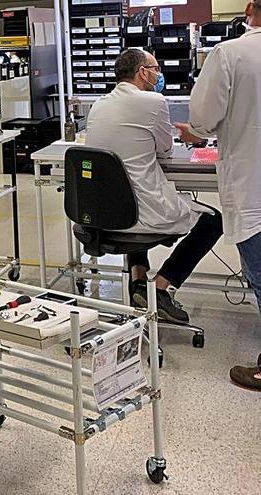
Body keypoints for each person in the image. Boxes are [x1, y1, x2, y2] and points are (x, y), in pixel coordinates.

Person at [84, 48, 223, 324]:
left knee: (130, 204)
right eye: (155, 69)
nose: (158, 74)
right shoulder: (154, 101)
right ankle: (159, 288)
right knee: (213, 221)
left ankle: (138, 283)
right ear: (142, 72)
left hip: (104, 214)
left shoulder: (98, 104)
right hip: (140, 211)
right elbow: (165, 151)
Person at [174, 1, 261, 391]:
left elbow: (203, 120)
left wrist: (194, 132)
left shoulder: (232, 53)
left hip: (253, 186)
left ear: (248, 10)